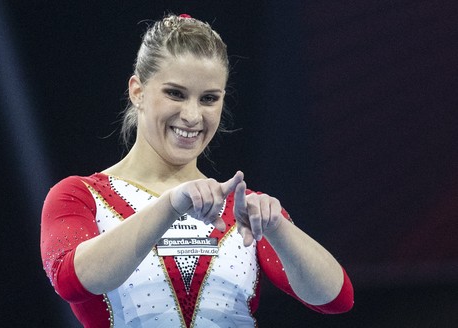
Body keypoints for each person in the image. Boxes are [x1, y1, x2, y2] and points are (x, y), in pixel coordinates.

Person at [41, 14, 353, 327]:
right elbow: (72, 280)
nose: (192, 116)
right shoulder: (80, 196)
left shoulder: (242, 209)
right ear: (137, 91)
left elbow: (336, 299)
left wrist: (278, 229)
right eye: (175, 93)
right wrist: (171, 204)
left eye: (208, 99)